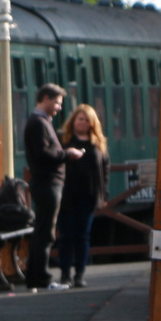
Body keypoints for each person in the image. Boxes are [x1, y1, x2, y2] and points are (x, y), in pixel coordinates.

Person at [21, 84, 83, 292]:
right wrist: (68, 154)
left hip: (47, 183)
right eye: (56, 103)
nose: (58, 108)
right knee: (45, 232)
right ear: (45, 98)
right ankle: (42, 278)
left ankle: (35, 277)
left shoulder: (41, 122)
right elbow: (42, 155)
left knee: (44, 230)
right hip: (47, 183)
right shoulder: (38, 123)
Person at [57, 103, 111, 288]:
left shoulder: (98, 143)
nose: (83, 122)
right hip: (67, 195)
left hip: (88, 195)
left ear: (92, 123)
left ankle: (80, 274)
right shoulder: (64, 140)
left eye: (87, 120)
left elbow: (105, 169)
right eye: (80, 119)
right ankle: (65, 274)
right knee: (66, 235)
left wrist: (104, 194)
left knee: (83, 235)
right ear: (73, 121)